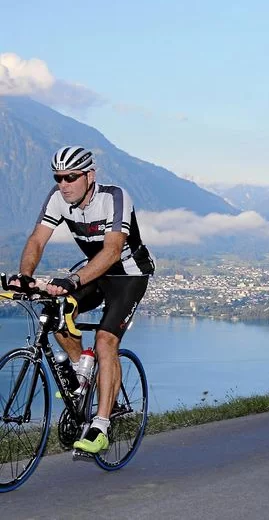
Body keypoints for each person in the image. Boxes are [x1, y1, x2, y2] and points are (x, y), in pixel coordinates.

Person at [9, 146, 155, 453]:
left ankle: (100, 425)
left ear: (89, 175)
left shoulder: (114, 197)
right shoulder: (58, 198)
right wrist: (25, 275)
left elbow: (113, 251)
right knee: (56, 312)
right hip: (94, 273)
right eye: (58, 177)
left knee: (105, 341)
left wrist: (73, 279)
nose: (63, 184)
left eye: (71, 177)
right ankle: (81, 370)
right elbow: (37, 238)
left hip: (128, 275)